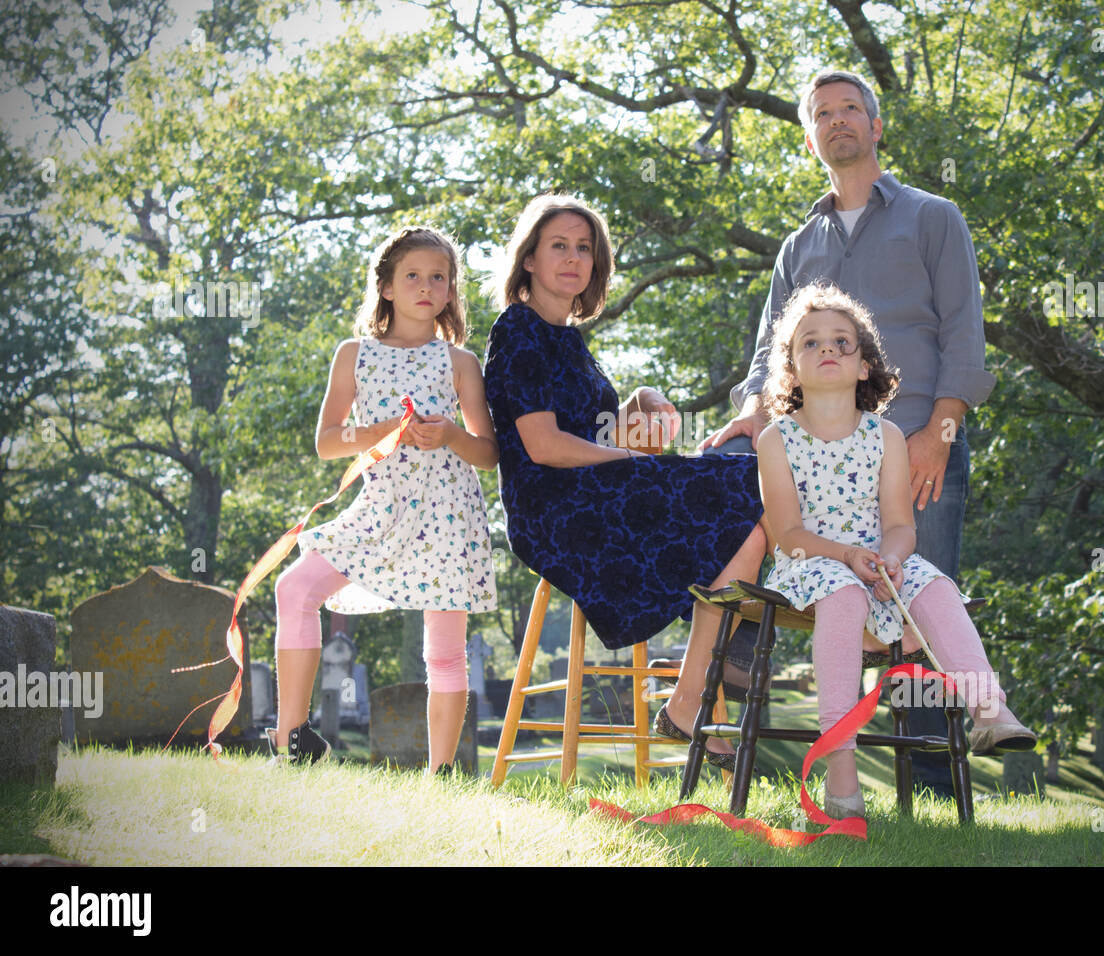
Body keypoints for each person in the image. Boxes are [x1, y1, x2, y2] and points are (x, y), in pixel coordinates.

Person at [701, 69, 995, 795]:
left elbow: (964, 334)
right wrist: (748, 410)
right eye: (823, 114)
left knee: (916, 609)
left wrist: (939, 431)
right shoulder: (798, 245)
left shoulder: (933, 217)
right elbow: (772, 349)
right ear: (810, 138)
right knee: (729, 460)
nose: (838, 121)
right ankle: (733, 651)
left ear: (875, 125)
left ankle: (928, 789)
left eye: (850, 110)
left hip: (918, 445)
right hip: (814, 464)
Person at [482, 194, 767, 770]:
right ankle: (729, 658)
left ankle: (701, 686)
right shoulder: (519, 330)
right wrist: (624, 457)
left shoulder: (569, 339)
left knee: (756, 495)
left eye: (584, 248)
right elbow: (543, 446)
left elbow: (600, 436)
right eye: (558, 245)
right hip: (553, 510)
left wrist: (639, 405)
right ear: (529, 260)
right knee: (747, 481)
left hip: (592, 492)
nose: (573, 258)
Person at [756, 281, 1035, 819]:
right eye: (811, 343)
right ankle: (841, 772)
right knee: (841, 595)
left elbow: (902, 525)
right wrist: (846, 558)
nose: (828, 349)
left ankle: (989, 710)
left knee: (935, 584)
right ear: (790, 367)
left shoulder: (884, 437)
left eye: (843, 341)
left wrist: (891, 557)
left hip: (878, 560)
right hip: (809, 564)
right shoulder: (777, 441)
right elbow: (787, 534)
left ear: (865, 366)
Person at [269, 226, 498, 772]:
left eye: (438, 278)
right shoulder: (354, 355)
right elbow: (327, 442)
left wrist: (448, 436)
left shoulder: (460, 362)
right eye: (413, 276)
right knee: (293, 588)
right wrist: (383, 429)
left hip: (448, 513)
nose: (426, 286)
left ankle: (442, 773)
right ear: (387, 287)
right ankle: (292, 742)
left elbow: (489, 452)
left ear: (450, 292)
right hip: (379, 509)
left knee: (443, 648)